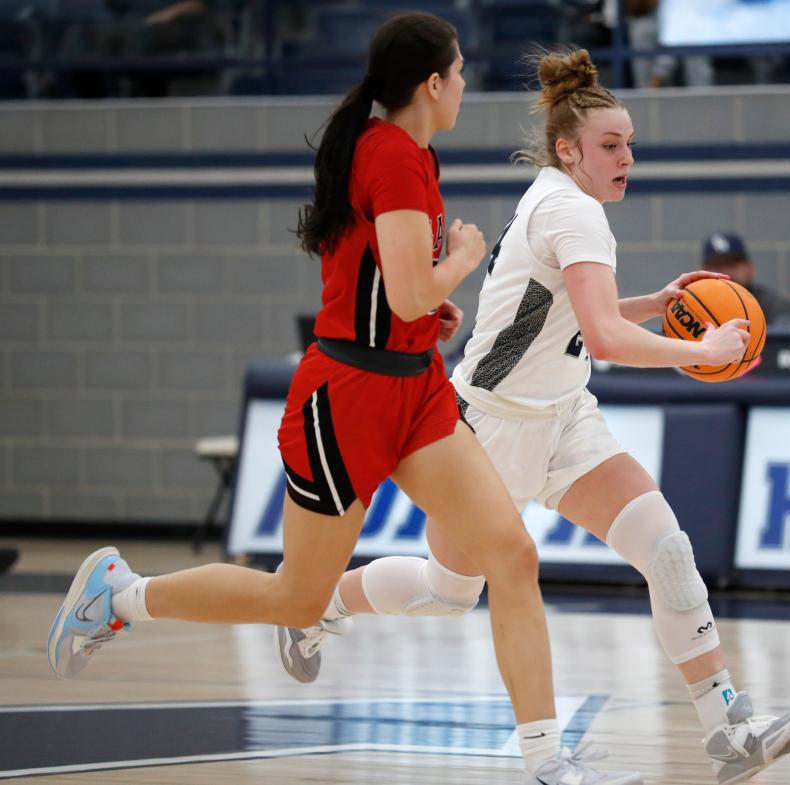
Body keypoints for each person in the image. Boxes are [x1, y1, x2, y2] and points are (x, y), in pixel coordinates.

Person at [46, 17, 642, 785]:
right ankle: (121, 595)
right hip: (348, 396)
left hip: (415, 386)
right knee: (296, 597)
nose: (464, 84)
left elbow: (388, 288)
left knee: (512, 555)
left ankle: (544, 761)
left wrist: (431, 313)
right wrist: (457, 262)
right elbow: (405, 285)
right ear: (432, 84)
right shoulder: (391, 155)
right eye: (458, 72)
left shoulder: (410, 153)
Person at [278, 48, 790, 785]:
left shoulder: (558, 197)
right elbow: (604, 339)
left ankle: (728, 723)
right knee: (447, 591)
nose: (626, 156)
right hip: (489, 426)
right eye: (611, 145)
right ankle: (317, 602)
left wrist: (653, 305)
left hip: (562, 415)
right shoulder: (571, 211)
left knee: (666, 548)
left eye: (629, 143)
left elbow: (564, 320)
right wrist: (705, 348)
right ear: (569, 149)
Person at [701, 231, 790, 326]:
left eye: (733, 265)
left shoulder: (774, 306)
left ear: (750, 268)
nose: (726, 272)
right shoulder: (693, 306)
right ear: (703, 271)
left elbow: (788, 342)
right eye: (717, 266)